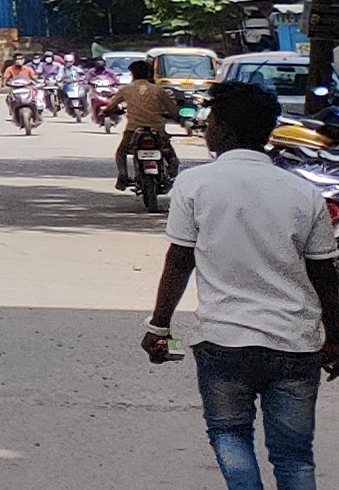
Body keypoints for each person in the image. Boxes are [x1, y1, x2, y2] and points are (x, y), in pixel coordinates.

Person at [145, 79, 339, 490]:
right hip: (294, 343)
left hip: (224, 341)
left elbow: (179, 260)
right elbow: (325, 273)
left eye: (212, 121)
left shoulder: (195, 185)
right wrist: (336, 338)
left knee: (230, 436)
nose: (208, 129)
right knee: (294, 458)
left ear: (226, 130)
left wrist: (159, 326)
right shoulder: (303, 193)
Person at [126, 60, 185, 188]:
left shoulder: (127, 89)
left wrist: (107, 112)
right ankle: (172, 175)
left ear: (133, 74)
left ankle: (122, 176)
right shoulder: (159, 90)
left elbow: (111, 106)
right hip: (157, 130)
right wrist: (179, 119)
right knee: (170, 154)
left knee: (121, 152)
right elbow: (172, 110)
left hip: (133, 131)